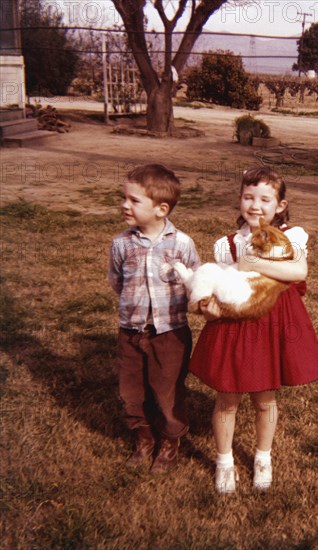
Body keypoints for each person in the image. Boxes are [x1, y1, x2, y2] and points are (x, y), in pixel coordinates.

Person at [189, 166, 318, 494]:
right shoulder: (226, 244)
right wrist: (206, 308)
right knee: (228, 396)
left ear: (280, 205)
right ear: (240, 200)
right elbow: (217, 284)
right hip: (234, 323)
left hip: (275, 321)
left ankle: (263, 456)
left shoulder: (292, 236)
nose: (255, 205)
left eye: (265, 199)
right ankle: (224, 461)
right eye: (248, 197)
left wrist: (251, 264)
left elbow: (297, 270)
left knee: (265, 396)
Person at [108, 164, 199, 473]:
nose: (124, 205)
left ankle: (170, 441)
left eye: (134, 200)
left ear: (162, 209)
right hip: (131, 332)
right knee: (131, 390)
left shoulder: (182, 244)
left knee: (167, 390)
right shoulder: (121, 243)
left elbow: (194, 283)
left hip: (170, 333)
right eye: (124, 198)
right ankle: (143, 437)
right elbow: (117, 281)